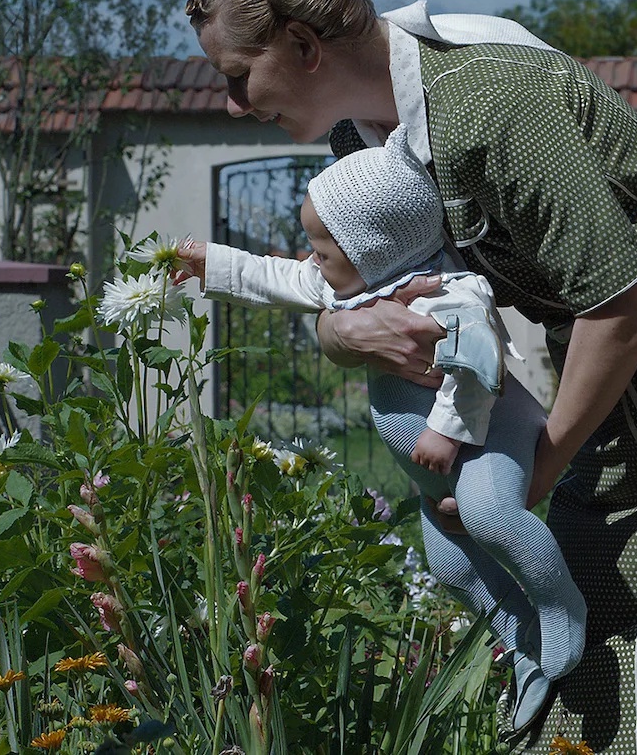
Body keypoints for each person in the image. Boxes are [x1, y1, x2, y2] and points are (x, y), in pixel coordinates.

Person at [180, 0, 637, 754]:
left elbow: (623, 313)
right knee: (576, 679)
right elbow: (352, 296)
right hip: (606, 393)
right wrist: (343, 337)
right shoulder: (362, 140)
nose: (235, 105)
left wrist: (537, 471)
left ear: (305, 45)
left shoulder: (494, 105)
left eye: (240, 77)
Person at [181, 128, 586, 731]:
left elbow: (479, 364)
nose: (310, 257)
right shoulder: (356, 287)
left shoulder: (449, 293)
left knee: (490, 513)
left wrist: (446, 431)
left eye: (323, 248)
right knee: (449, 565)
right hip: (434, 468)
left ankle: (561, 612)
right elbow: (275, 278)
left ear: (371, 246)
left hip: (486, 437)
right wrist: (209, 263)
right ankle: (521, 639)